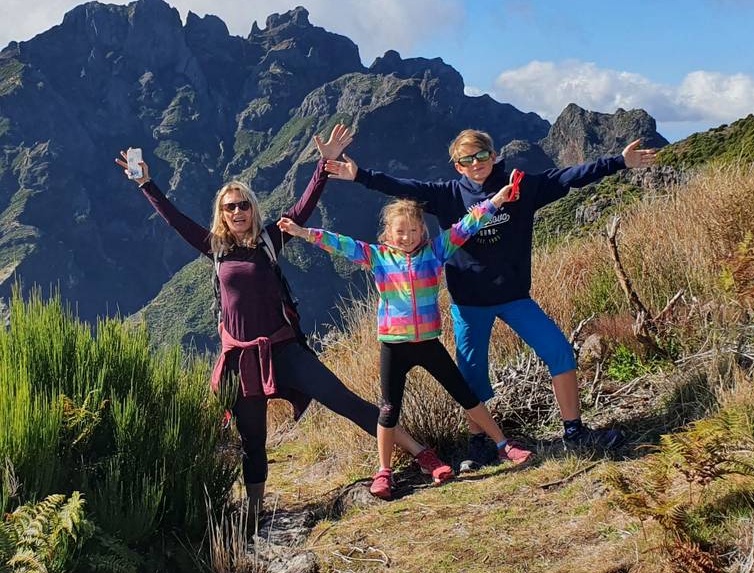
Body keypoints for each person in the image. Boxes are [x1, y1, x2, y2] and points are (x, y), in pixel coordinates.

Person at [117, 127, 452, 526]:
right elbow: (176, 220)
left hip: (284, 350)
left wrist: (324, 165)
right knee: (252, 439)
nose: (237, 212)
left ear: (253, 209)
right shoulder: (215, 248)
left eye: (243, 205)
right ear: (222, 214)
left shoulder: (270, 241)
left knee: (343, 400)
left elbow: (304, 206)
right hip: (241, 359)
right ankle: (255, 512)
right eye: (229, 207)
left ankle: (420, 453)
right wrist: (146, 184)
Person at [328, 130, 659, 468]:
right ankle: (479, 444)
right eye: (467, 159)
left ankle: (574, 431)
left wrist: (619, 161)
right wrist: (360, 176)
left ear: (494, 155)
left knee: (558, 351)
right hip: (469, 303)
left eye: (482, 155)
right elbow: (403, 187)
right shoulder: (447, 195)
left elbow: (568, 177)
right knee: (471, 377)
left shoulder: (520, 186)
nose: (476, 164)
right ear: (458, 166)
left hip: (514, 296)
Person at [277, 193, 533, 499]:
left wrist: (497, 201)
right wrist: (303, 232)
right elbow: (340, 244)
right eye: (400, 231)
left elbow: (467, 225)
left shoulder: (435, 251)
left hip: (428, 343)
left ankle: (503, 445)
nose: (407, 237)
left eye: (413, 230)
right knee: (388, 410)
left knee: (465, 395)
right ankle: (384, 471)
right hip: (394, 347)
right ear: (387, 233)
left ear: (422, 231)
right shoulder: (377, 256)